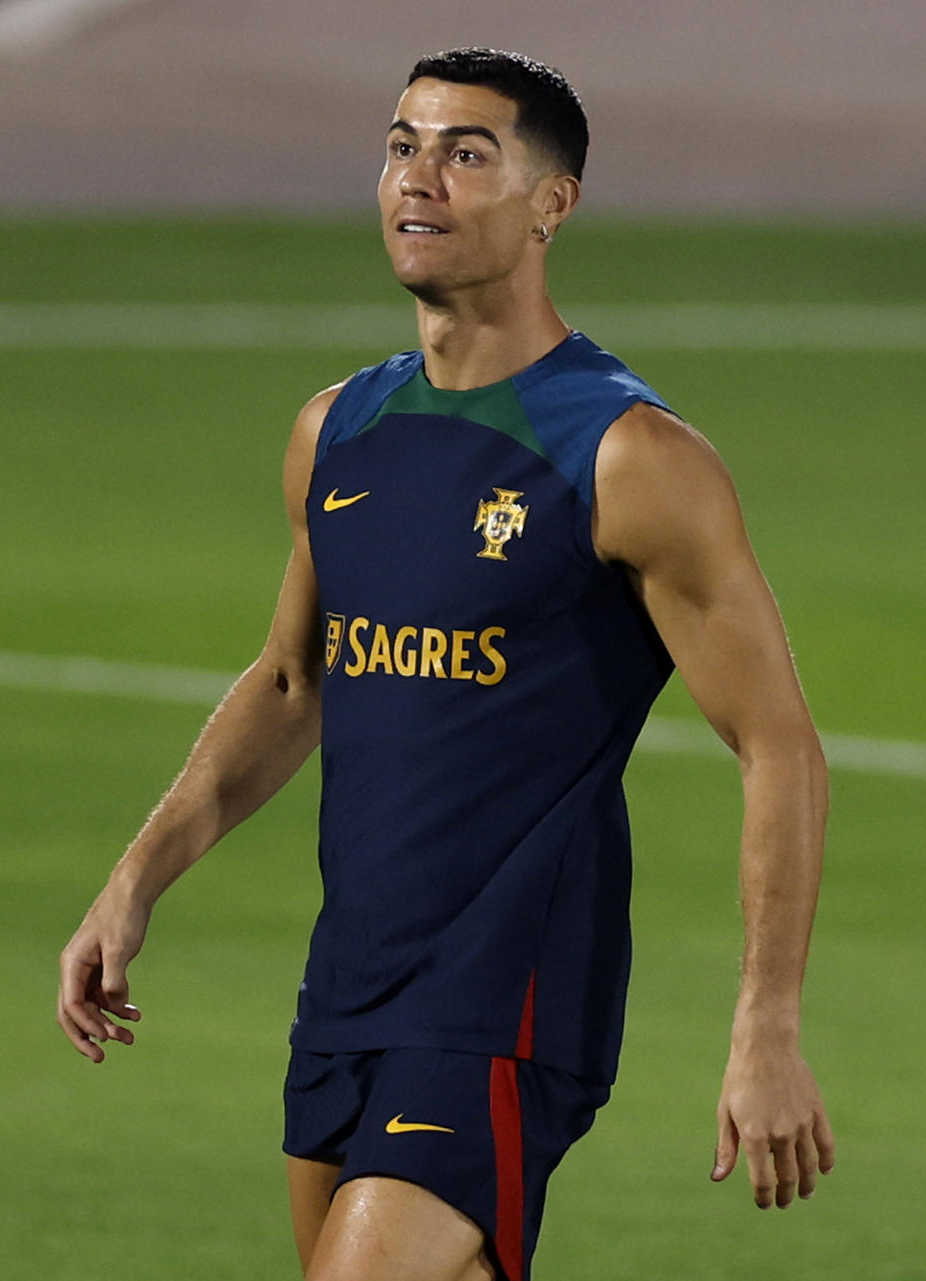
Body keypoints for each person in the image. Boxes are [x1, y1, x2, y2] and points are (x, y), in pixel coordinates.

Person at [56, 47, 835, 1281]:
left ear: (551, 205)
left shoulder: (627, 456)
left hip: (507, 993)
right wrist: (137, 877)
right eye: (401, 146)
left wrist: (767, 1023)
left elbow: (778, 743)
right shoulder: (341, 430)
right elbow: (290, 683)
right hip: (352, 982)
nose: (419, 179)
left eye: (467, 153)